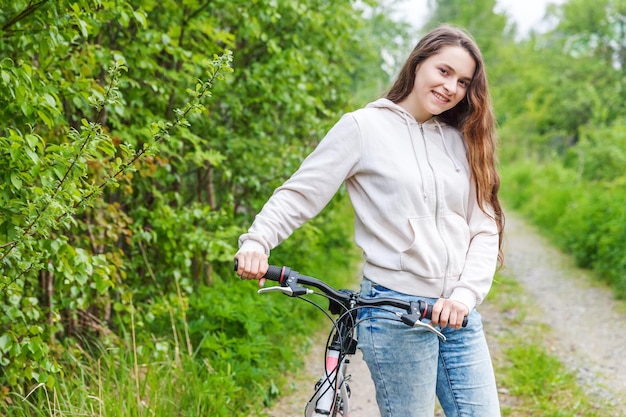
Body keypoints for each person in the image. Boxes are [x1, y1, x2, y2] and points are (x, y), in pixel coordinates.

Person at [234, 24, 504, 417]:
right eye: (443, 71)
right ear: (418, 63)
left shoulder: (461, 138)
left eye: (463, 82)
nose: (451, 87)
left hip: (458, 315)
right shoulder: (363, 128)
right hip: (395, 314)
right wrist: (257, 241)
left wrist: (464, 297)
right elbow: (301, 194)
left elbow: (484, 226)